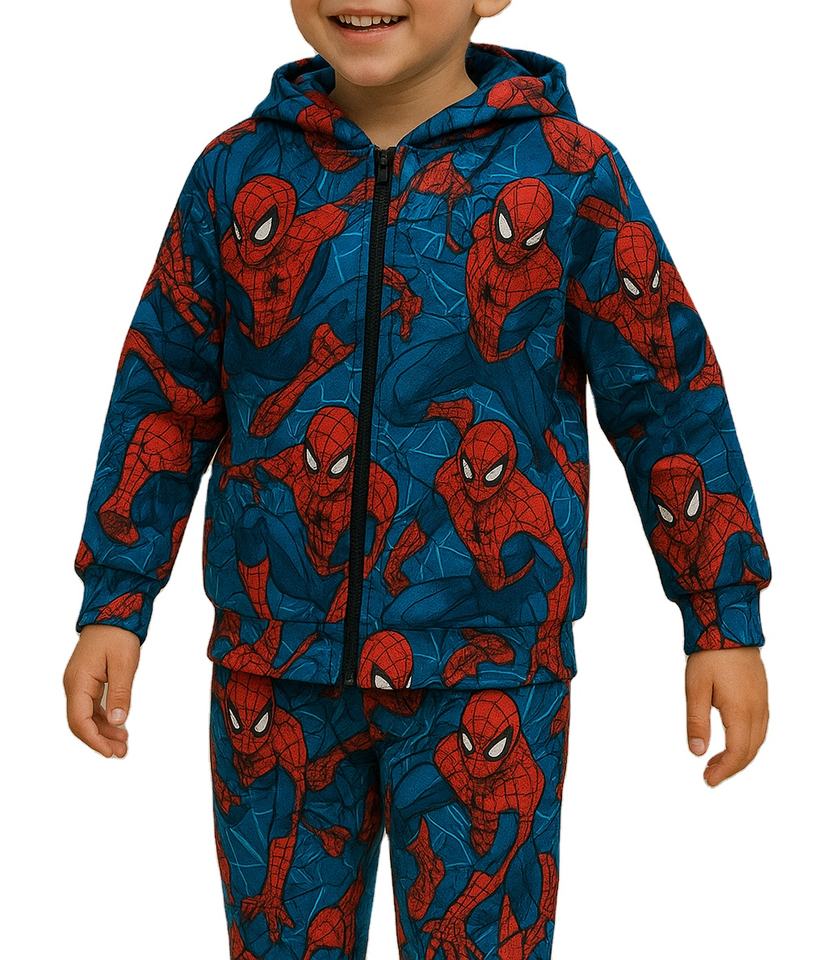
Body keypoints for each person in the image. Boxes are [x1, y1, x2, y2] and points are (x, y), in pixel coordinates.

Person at [63, 1, 773, 957]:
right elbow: (164, 396)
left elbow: (666, 397)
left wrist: (720, 614)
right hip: (273, 668)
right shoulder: (234, 173)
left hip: (490, 675)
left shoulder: (568, 173)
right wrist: (115, 601)